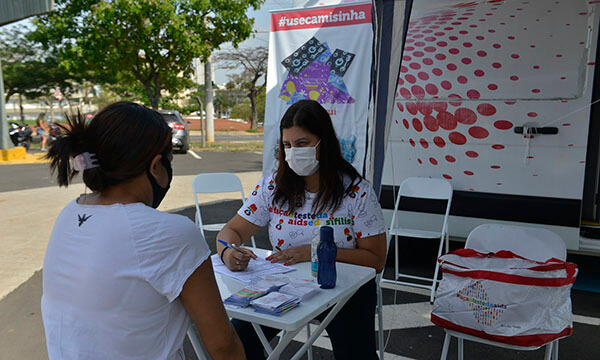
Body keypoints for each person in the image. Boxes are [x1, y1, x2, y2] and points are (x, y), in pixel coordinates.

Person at [41, 102, 245, 360]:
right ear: (156, 165)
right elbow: (222, 344)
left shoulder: (69, 214)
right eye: (169, 161)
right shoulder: (171, 233)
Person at [216, 99, 387, 359]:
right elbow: (231, 232)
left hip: (344, 289)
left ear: (323, 143)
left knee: (355, 353)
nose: (293, 151)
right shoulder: (273, 187)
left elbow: (376, 260)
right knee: (237, 341)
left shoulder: (356, 191)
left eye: (302, 143)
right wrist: (228, 252)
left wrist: (315, 252)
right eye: (287, 145)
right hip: (283, 283)